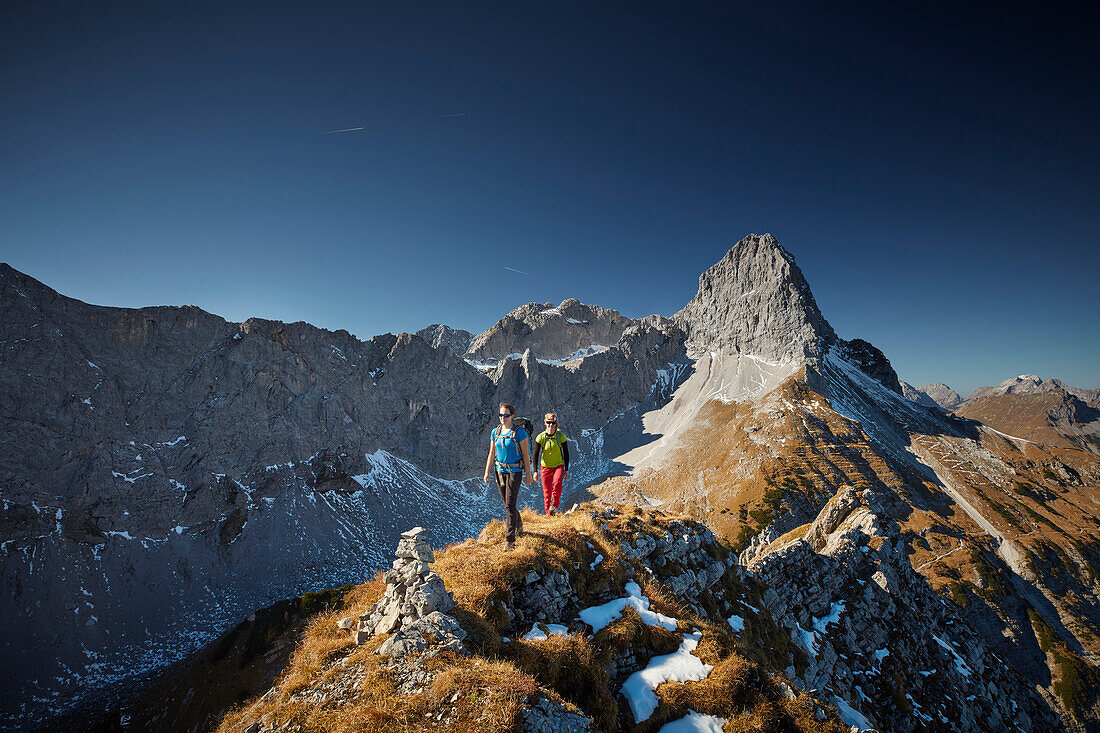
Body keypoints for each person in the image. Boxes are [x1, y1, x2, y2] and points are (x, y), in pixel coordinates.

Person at [483, 402, 533, 550]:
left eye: (506, 415)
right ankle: (519, 523)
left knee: (510, 505)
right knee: (507, 504)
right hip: (499, 472)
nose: (502, 418)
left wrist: (528, 475)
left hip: (514, 472)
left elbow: (525, 456)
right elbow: (492, 453)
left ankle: (510, 540)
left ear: (512, 416)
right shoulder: (495, 432)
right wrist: (487, 472)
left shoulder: (520, 433)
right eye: (500, 415)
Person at [532, 412, 569, 515]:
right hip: (545, 467)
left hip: (558, 465)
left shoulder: (561, 436)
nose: (550, 425)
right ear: (545, 423)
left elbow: (566, 453)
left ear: (556, 424)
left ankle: (555, 506)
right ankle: (549, 514)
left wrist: (566, 469)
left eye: (553, 423)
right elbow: (535, 455)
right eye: (548, 423)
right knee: (547, 492)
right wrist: (535, 471)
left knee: (557, 483)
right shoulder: (540, 437)